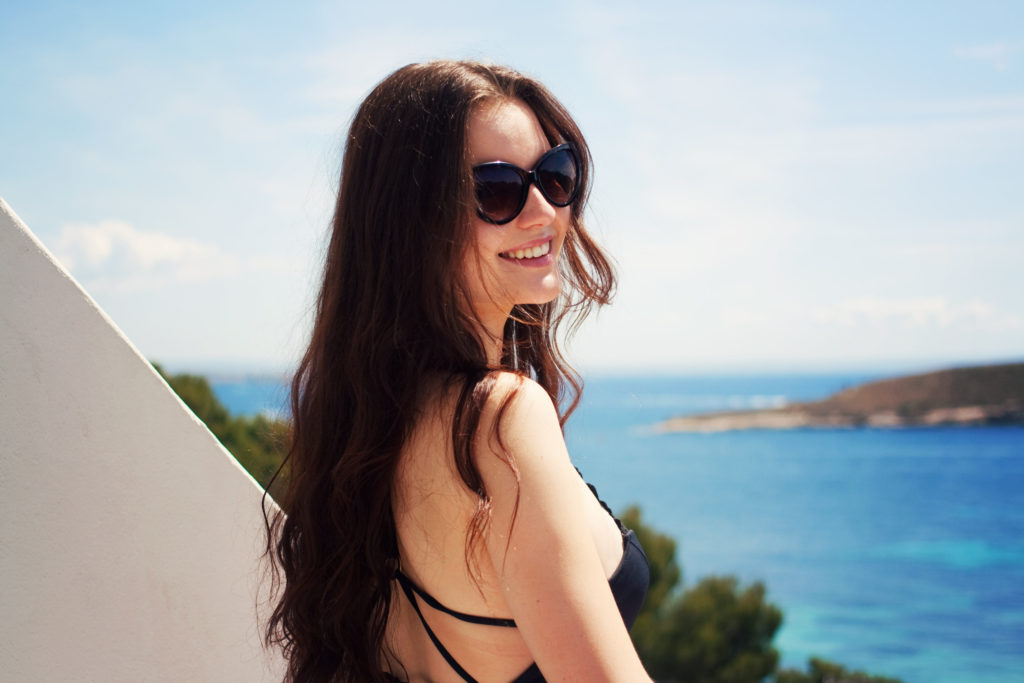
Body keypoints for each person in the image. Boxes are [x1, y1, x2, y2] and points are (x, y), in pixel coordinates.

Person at [263, 60, 652, 683]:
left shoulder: (367, 424)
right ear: (411, 224)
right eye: (495, 189)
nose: (543, 211)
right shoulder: (501, 417)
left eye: (555, 176)